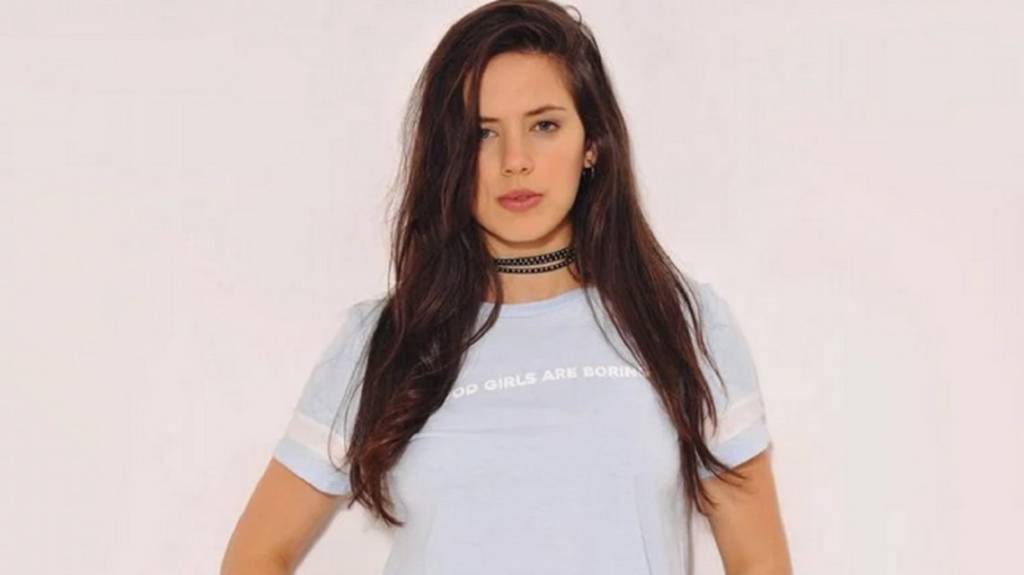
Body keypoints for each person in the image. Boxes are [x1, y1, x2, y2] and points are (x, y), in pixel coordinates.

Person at [222, 1, 792, 573]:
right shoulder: (388, 341)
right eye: (481, 133)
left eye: (544, 126)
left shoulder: (682, 323)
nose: (515, 161)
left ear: (591, 143)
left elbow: (759, 562)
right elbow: (256, 554)